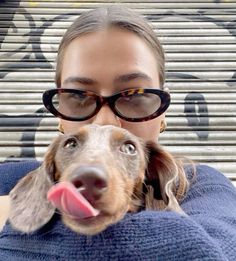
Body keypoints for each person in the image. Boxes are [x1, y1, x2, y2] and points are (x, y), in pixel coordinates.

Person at [0, 5, 236, 260]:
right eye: (78, 95)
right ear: (59, 111)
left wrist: (6, 218)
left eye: (136, 96)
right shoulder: (11, 175)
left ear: (162, 111)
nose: (105, 122)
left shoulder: (204, 186)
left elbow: (207, 253)